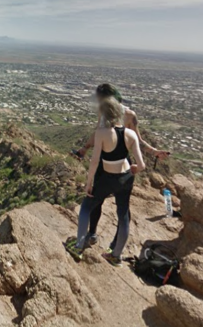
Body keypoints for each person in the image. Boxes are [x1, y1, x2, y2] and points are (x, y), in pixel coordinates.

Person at [70, 83, 169, 248]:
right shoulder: (104, 112)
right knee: (104, 203)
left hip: (119, 164)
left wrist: (154, 152)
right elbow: (97, 132)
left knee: (118, 207)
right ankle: (94, 235)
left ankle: (114, 244)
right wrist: (85, 148)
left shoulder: (129, 115)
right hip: (108, 163)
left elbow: (139, 139)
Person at [65, 98, 146, 267]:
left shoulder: (102, 133)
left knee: (87, 206)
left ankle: (79, 246)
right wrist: (134, 169)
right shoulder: (130, 135)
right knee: (123, 214)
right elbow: (142, 165)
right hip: (126, 178)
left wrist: (89, 182)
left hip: (108, 177)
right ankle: (116, 255)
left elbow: (94, 162)